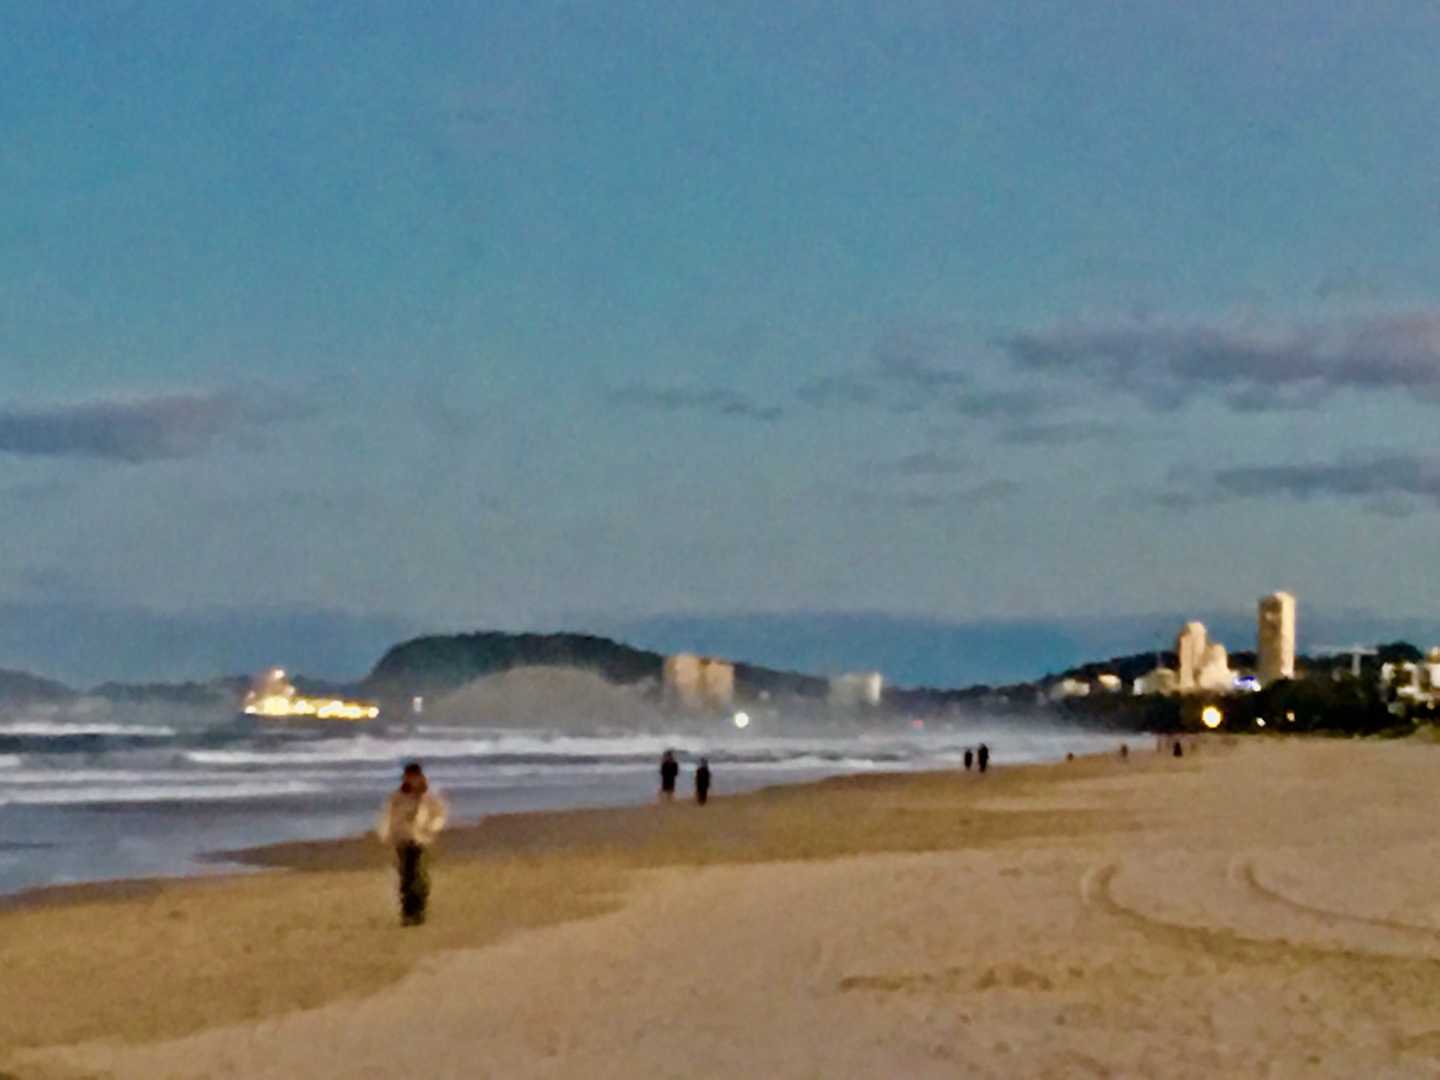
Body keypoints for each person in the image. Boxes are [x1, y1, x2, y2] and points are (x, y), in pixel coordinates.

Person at [378, 762, 447, 927]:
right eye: (408, 777)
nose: (410, 780)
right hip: (402, 838)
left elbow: (439, 814)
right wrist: (385, 833)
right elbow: (388, 815)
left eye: (413, 777)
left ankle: (419, 911)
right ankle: (407, 913)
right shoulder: (397, 796)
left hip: (421, 839)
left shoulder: (429, 796)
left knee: (419, 875)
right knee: (405, 877)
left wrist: (432, 828)